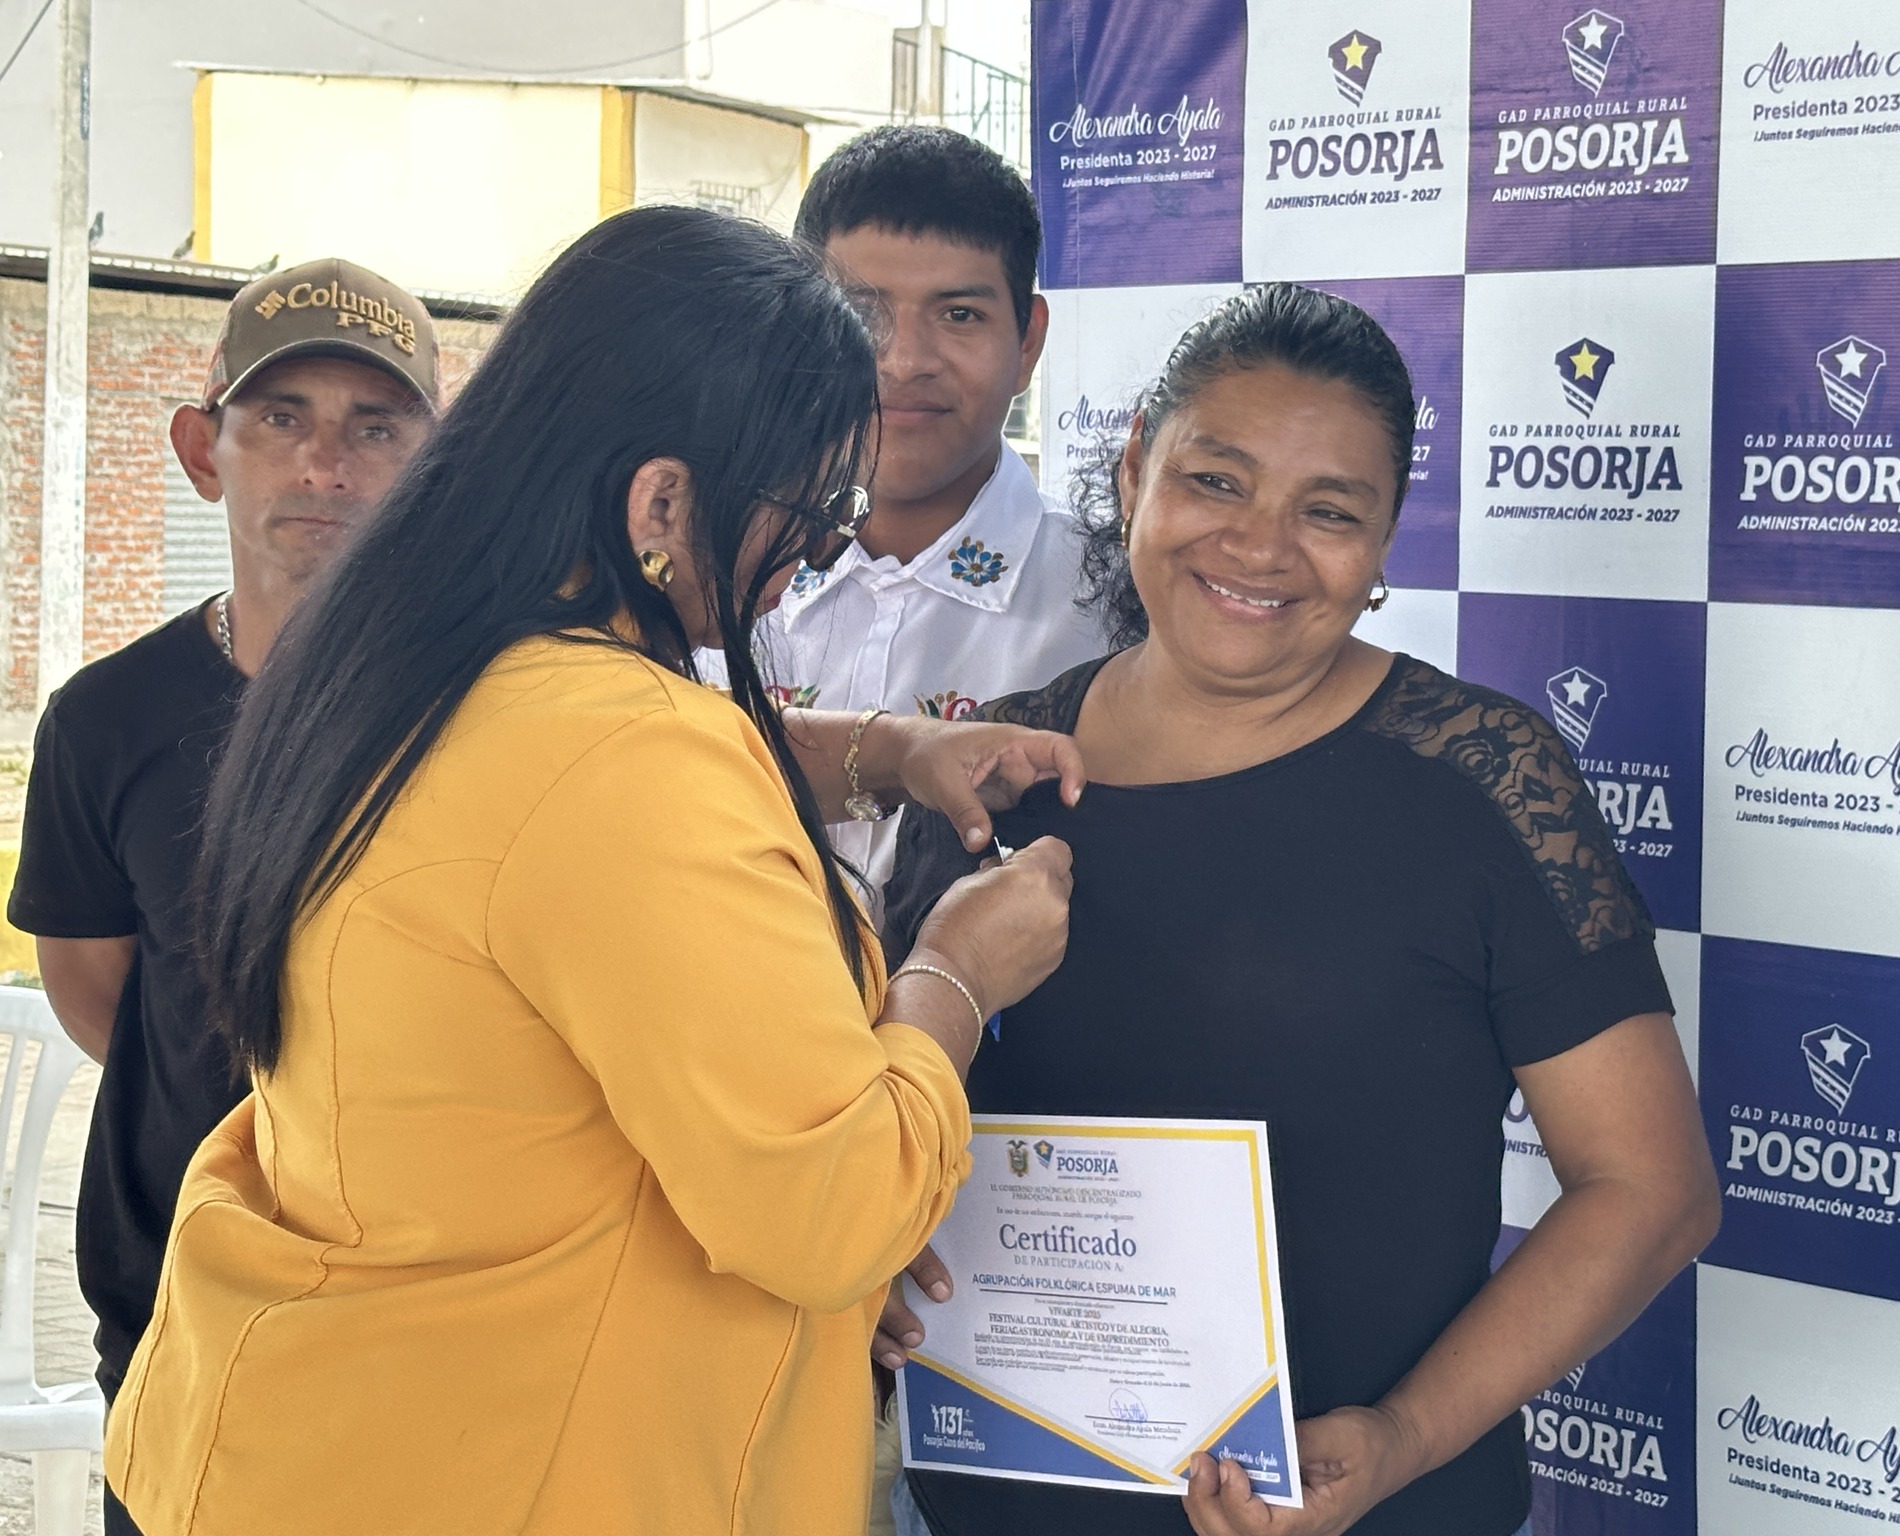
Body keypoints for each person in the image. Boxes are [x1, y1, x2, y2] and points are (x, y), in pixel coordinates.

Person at [103, 205, 1077, 1536]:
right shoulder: (624, 748)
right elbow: (829, 1212)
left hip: (308, 1433)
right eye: (811, 513)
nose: (811, 560)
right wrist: (954, 971)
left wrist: (891, 756)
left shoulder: (385, 664)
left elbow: (563, 836)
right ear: (663, 503)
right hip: (509, 1476)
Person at [880, 284, 1721, 1536]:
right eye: (1214, 481)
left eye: (1328, 511)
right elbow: (879, 1125)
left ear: (1382, 545)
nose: (1260, 546)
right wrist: (880, 1248)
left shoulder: (1483, 779)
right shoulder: (986, 778)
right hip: (990, 1505)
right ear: (1133, 471)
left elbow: (1650, 1188)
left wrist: (1402, 1437)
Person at [7, 257, 439, 1536]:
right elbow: (97, 990)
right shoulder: (105, 721)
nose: (325, 467)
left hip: (433, 1327)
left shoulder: (494, 709)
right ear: (205, 452)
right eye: (281, 419)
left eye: (375, 427)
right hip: (180, 1321)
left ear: (437, 468)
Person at [740, 124, 1104, 897]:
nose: (904, 361)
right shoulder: (709, 579)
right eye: (859, 313)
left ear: (1028, 343)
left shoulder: (1112, 604)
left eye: (959, 315)